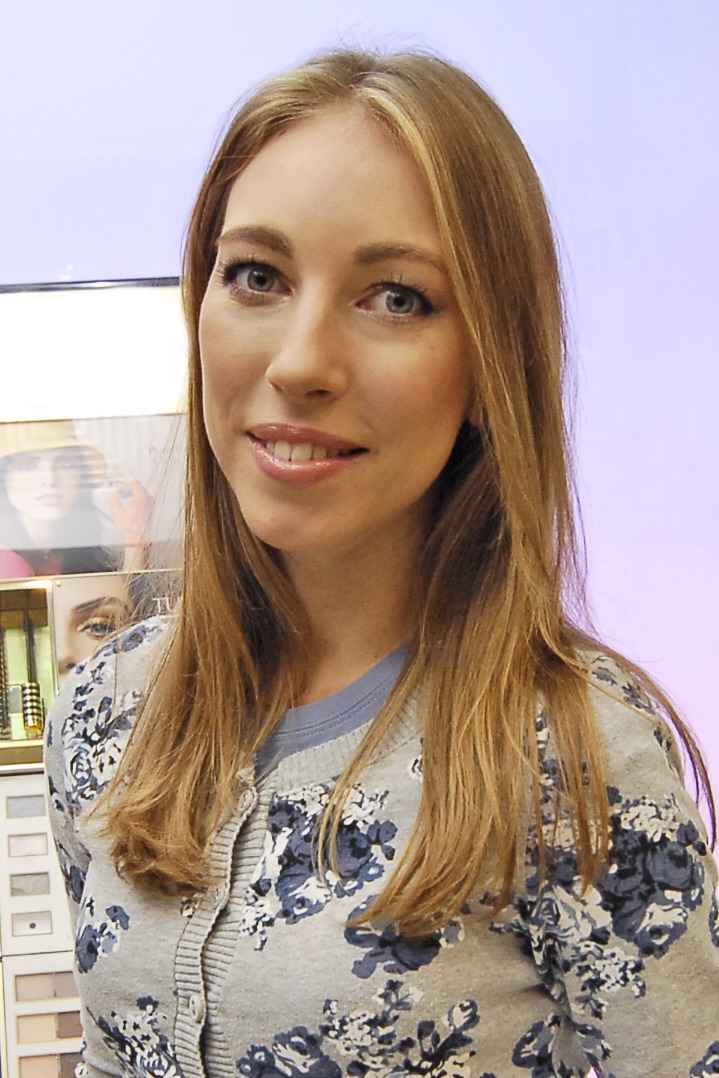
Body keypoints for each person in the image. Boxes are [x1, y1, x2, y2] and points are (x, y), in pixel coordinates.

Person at [44, 49, 719, 1078]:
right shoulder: (103, 708)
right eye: (256, 276)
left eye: (396, 298)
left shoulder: (571, 752)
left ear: (489, 363)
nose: (299, 362)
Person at [0, 419, 153, 578]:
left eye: (65, 464)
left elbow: (128, 594)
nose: (50, 479)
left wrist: (134, 537)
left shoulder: (83, 557)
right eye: (28, 465)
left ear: (81, 474)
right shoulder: (5, 561)